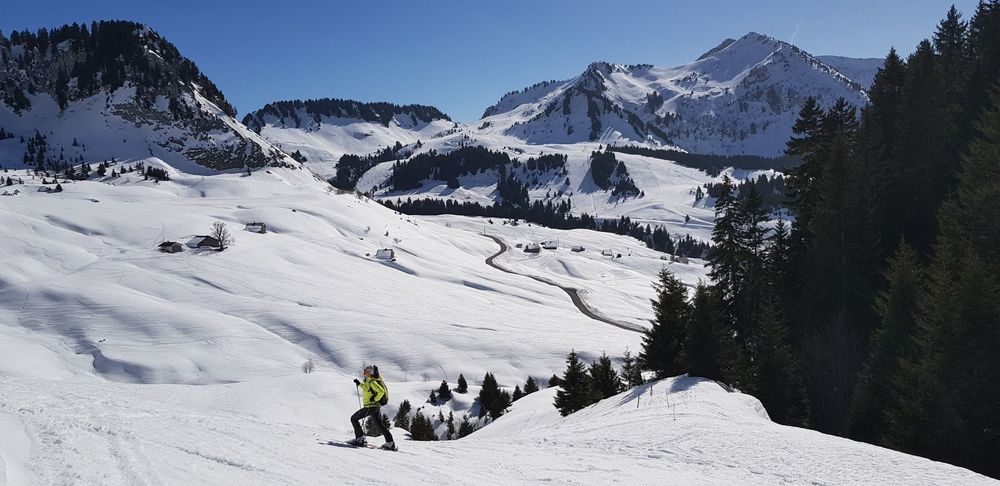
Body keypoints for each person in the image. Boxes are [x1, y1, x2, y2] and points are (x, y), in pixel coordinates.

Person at [348, 365, 396, 450]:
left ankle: (360, 439)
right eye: (365, 372)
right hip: (374, 407)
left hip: (370, 406)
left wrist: (375, 398)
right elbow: (367, 388)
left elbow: (381, 391)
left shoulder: (372, 382)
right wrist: (359, 384)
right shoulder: (370, 381)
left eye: (367, 372)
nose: (365, 373)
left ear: (371, 373)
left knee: (353, 419)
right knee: (379, 425)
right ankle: (390, 443)